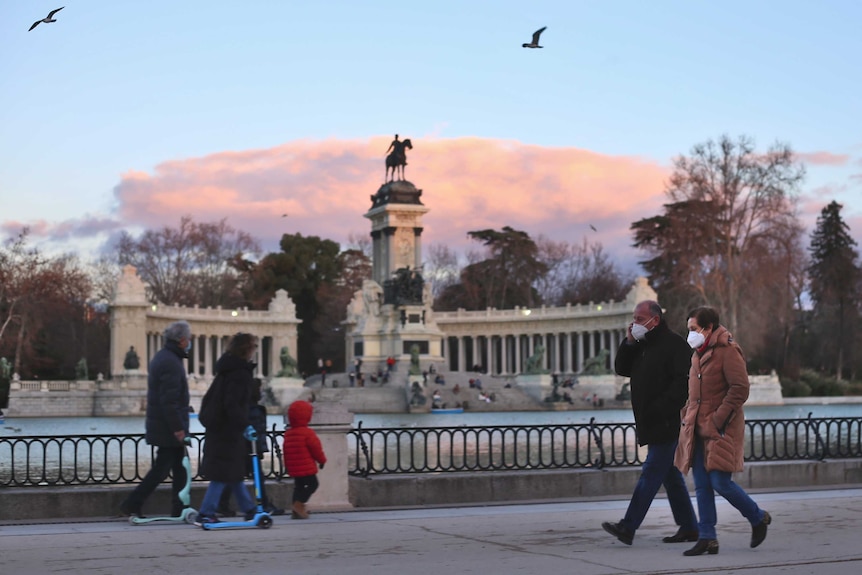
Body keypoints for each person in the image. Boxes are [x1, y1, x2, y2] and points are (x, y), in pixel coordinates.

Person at [675, 307, 771, 556]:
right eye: (689, 330)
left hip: (721, 428)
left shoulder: (727, 351)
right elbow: (695, 394)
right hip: (697, 426)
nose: (690, 334)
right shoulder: (698, 353)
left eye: (694, 329)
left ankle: (757, 517)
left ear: (708, 328)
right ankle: (707, 537)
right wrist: (687, 414)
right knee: (702, 485)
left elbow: (740, 388)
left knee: (720, 482)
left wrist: (718, 420)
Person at [601, 300, 698, 546]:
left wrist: (661, 408)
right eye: (634, 318)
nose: (635, 323)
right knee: (671, 477)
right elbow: (621, 369)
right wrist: (630, 342)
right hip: (650, 421)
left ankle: (628, 526)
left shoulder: (675, 345)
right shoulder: (642, 344)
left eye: (639, 319)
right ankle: (689, 527)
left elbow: (682, 384)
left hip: (666, 421)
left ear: (655, 320)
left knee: (651, 473)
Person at [119, 321, 192, 518]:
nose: (190, 343)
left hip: (163, 423)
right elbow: (168, 400)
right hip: (168, 427)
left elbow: (168, 397)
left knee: (178, 468)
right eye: (189, 339)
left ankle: (180, 507)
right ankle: (132, 503)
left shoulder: (164, 357)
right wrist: (178, 428)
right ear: (182, 340)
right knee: (162, 469)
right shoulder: (171, 362)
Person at [195, 332, 260, 525]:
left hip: (220, 428)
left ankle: (249, 509)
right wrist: (245, 425)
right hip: (228, 430)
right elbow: (233, 404)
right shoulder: (239, 373)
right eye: (253, 347)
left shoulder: (226, 369)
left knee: (233, 473)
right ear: (246, 349)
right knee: (224, 474)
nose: (254, 351)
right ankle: (206, 512)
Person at [216, 378, 284, 517]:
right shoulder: (253, 410)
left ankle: (223, 504)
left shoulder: (246, 409)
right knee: (256, 478)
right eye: (258, 390)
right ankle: (262, 505)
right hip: (250, 450)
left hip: (244, 449)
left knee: (233, 477)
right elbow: (256, 431)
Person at [283, 400, 327, 519]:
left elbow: (286, 452)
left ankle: (296, 511)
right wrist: (322, 460)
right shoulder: (308, 433)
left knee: (299, 487)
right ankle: (299, 505)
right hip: (306, 467)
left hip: (294, 467)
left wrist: (287, 466)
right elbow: (316, 449)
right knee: (313, 484)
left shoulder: (288, 434)